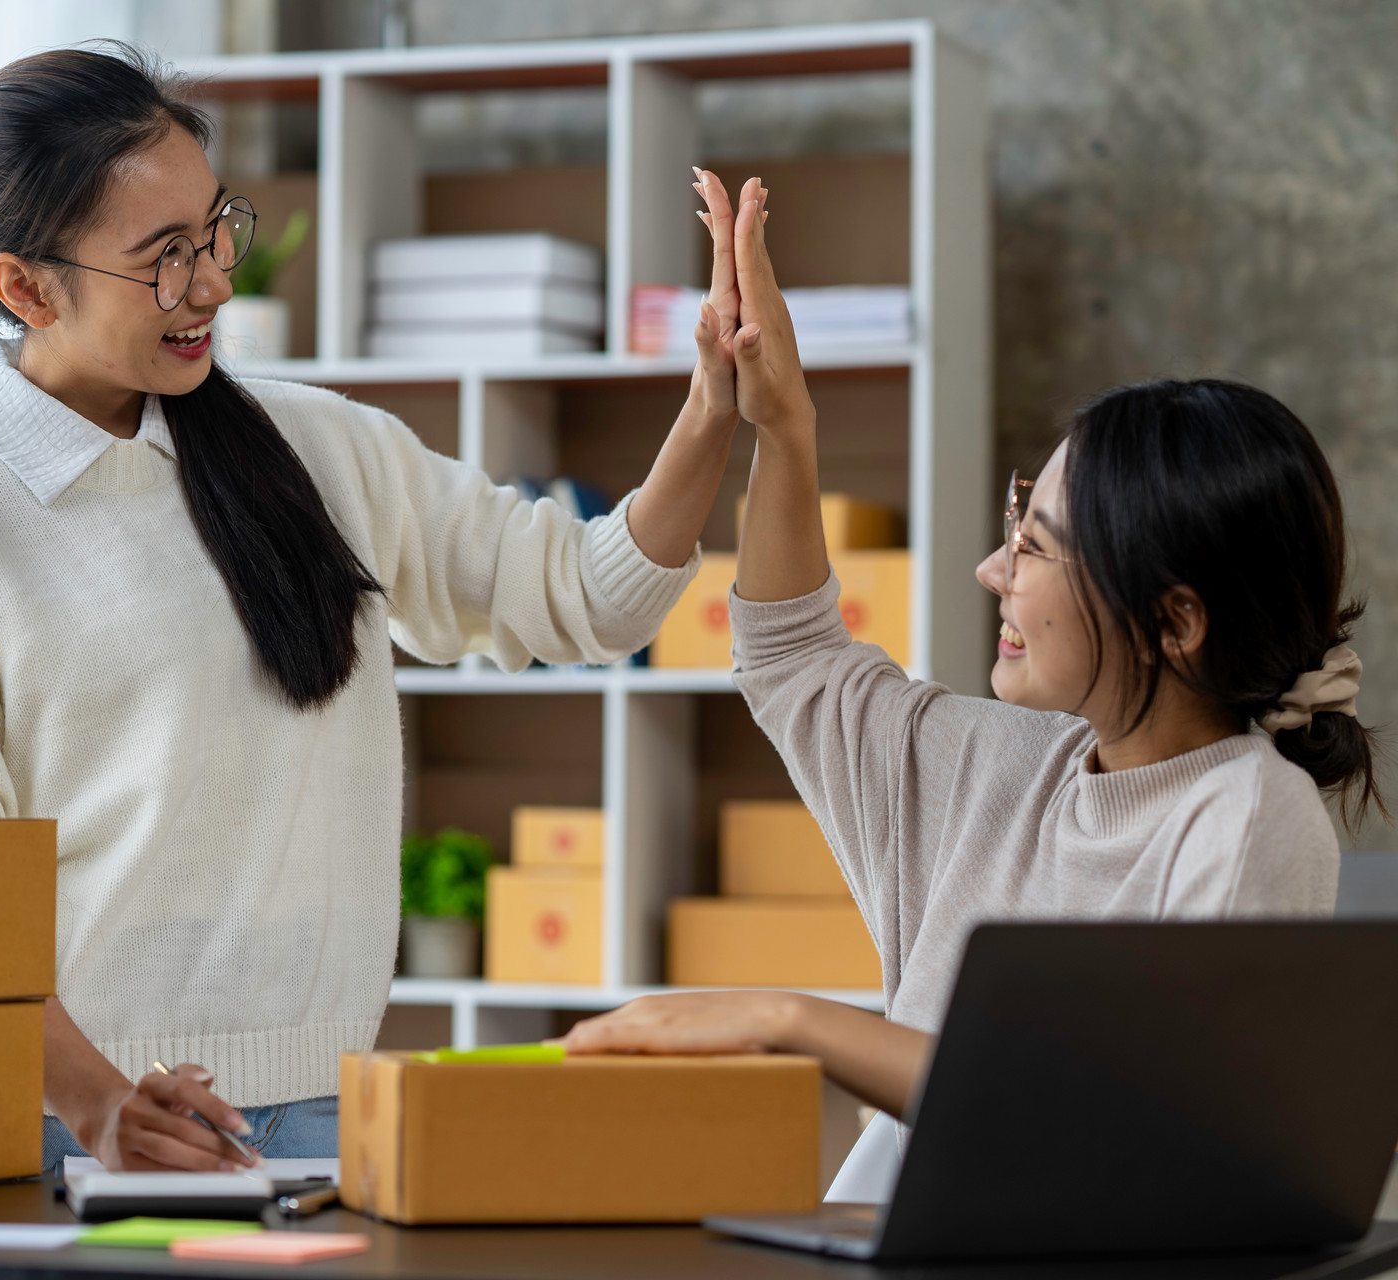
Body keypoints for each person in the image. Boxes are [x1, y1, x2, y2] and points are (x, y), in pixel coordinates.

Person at [0, 44, 750, 1173]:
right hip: (62, 1124)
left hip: (327, 1113)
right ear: (26, 287)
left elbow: (581, 599)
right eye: (165, 259)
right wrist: (99, 1101)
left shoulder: (327, 447)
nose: (215, 282)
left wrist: (711, 407)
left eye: (218, 228)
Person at [565, 169, 1380, 1200]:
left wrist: (794, 1019)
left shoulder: (1249, 815)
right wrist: (783, 423)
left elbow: (1141, 1124)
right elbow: (794, 659)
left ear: (1175, 620)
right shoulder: (999, 765)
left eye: (1036, 550)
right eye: (1013, 529)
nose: (994, 572)